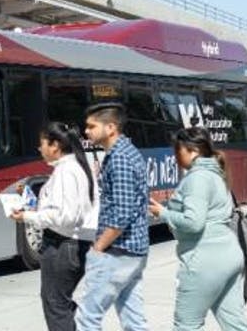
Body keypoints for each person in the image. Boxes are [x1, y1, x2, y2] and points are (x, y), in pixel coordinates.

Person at [149, 127, 247, 331]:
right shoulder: (216, 174)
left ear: (193, 150)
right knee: (234, 324)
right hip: (229, 255)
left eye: (178, 150)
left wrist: (163, 213)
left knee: (186, 326)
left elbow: (194, 222)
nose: (176, 156)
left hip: (204, 260)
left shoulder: (198, 178)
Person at [10, 122, 98, 331]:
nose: (40, 149)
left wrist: (28, 216)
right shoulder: (78, 166)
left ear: (55, 145)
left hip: (63, 245)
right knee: (59, 302)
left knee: (56, 304)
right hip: (76, 244)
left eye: (42, 144)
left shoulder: (66, 171)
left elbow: (65, 217)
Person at [76, 102, 150, 331]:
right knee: (133, 321)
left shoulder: (120, 159)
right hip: (132, 251)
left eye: (91, 126)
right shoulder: (126, 152)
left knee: (87, 317)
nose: (86, 131)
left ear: (110, 127)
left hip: (118, 251)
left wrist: (98, 247)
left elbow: (121, 213)